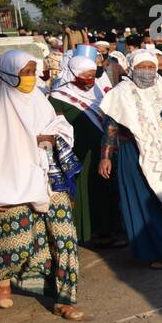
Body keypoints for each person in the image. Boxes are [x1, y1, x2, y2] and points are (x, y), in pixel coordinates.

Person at [0, 50, 85, 319]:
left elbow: (59, 126)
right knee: (16, 243)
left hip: (49, 178)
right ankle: (2, 281)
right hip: (10, 187)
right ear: (7, 73)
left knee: (65, 239)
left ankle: (65, 299)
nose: (29, 78)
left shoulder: (40, 99)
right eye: (24, 73)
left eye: (32, 72)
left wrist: (54, 135)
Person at [98, 50, 162, 269]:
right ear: (132, 68)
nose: (148, 72)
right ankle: (157, 251)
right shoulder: (121, 92)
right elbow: (111, 125)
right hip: (133, 153)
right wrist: (106, 157)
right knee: (146, 203)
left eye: (151, 67)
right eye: (142, 67)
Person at [49, 54, 121, 247]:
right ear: (73, 73)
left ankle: (107, 230)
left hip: (102, 151)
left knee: (104, 190)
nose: (90, 80)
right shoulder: (58, 96)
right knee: (84, 192)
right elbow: (56, 126)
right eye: (85, 76)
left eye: (92, 75)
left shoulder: (96, 90)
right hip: (79, 153)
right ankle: (86, 234)